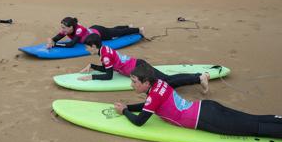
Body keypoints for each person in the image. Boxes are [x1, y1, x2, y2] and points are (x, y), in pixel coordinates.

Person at [113, 60, 282, 142]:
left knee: (256, 128)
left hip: (207, 119)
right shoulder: (159, 84)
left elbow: (141, 121)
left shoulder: (152, 97)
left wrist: (124, 111)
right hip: (208, 107)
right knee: (255, 119)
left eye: (134, 81)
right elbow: (150, 107)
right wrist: (129, 105)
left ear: (145, 83)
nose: (132, 84)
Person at [77, 34, 210, 93]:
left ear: (94, 46)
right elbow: (108, 68)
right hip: (138, 65)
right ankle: (199, 76)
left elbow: (109, 75)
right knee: (166, 79)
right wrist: (92, 66)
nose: (86, 49)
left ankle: (199, 78)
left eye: (87, 47)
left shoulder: (105, 55)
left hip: (139, 68)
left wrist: (92, 76)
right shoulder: (104, 49)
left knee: (166, 82)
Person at [46, 16, 143, 49]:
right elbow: (56, 38)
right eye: (62, 27)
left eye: (64, 28)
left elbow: (71, 44)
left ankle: (138, 30)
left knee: (117, 33)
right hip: (92, 29)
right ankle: (127, 26)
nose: (62, 30)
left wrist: (55, 44)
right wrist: (52, 40)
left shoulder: (79, 30)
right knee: (114, 30)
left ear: (71, 27)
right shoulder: (66, 29)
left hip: (99, 32)